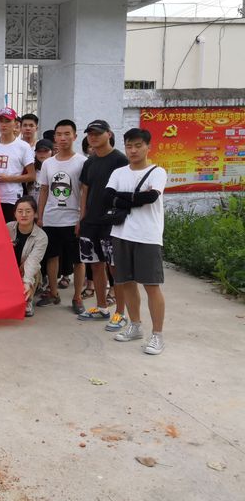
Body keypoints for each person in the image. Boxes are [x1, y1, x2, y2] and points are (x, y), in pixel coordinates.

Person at [106, 128, 168, 354]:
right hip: (121, 233)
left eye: (138, 146)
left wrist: (122, 198)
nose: (133, 150)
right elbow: (107, 197)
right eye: (129, 146)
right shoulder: (118, 172)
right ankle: (135, 326)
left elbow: (151, 197)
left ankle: (157, 335)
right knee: (126, 282)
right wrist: (135, 199)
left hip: (147, 236)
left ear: (148, 147)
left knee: (151, 285)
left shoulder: (157, 172)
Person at [77, 119, 129, 329]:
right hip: (90, 222)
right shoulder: (89, 162)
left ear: (109, 134)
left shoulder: (120, 160)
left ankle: (120, 312)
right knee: (95, 265)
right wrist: (82, 218)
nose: (93, 137)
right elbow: (85, 190)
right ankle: (101, 307)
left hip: (112, 223)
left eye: (97, 133)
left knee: (115, 268)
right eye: (90, 133)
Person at [36, 120, 87, 313]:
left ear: (75, 136)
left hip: (73, 219)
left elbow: (85, 192)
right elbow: (44, 190)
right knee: (52, 257)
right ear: (54, 137)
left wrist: (82, 218)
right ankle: (53, 292)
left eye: (67, 134)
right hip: (51, 218)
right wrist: (40, 216)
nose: (63, 138)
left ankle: (77, 297)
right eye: (59, 134)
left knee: (78, 260)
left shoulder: (82, 162)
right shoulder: (48, 163)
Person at [0, 107, 35, 222]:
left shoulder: (23, 146)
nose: (4, 125)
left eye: (7, 121)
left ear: (15, 123)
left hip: (13, 198)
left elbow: (32, 176)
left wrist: (8, 178)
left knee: (11, 230)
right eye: (1, 121)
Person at [6, 196, 48, 318]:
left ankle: (27, 300)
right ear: (15, 214)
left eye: (28, 211)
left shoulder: (41, 237)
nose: (24, 215)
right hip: (8, 269)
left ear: (35, 214)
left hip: (25, 270)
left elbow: (33, 261)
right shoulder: (8, 228)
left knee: (34, 269)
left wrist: (27, 282)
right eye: (20, 211)